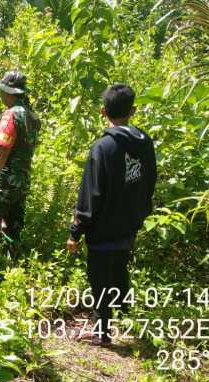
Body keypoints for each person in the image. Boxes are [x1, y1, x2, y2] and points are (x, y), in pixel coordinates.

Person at [67, 84, 157, 346]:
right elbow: (150, 181)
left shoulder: (103, 147)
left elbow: (90, 195)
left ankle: (102, 333)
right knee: (118, 269)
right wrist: (139, 214)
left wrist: (76, 231)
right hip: (129, 225)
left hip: (102, 229)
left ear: (102, 111)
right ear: (133, 111)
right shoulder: (145, 143)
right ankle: (123, 320)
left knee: (100, 279)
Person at [0, 70, 41, 268]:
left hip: (3, 182)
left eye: (3, 91)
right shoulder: (31, 116)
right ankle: (15, 267)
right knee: (13, 225)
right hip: (22, 183)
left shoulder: (10, 116)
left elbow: (1, 153)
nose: (1, 95)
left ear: (10, 93)